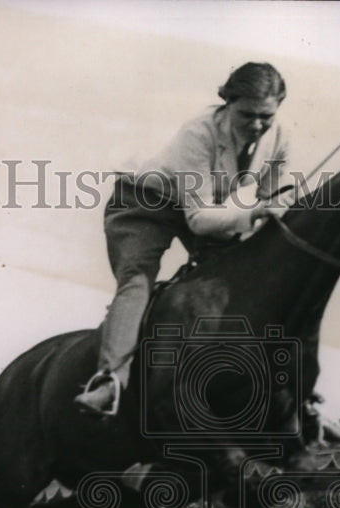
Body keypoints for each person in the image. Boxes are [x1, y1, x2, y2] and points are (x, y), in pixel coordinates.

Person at [75, 62, 294, 416]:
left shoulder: (279, 137)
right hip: (144, 201)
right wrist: (254, 214)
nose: (257, 126)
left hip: (199, 208)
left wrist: (281, 206)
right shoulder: (198, 133)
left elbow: (277, 195)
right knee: (137, 279)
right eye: (247, 115)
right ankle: (109, 381)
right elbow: (198, 219)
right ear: (227, 103)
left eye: (265, 117)